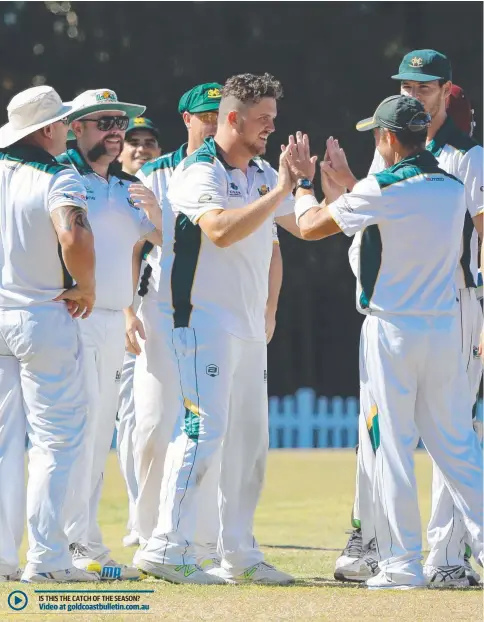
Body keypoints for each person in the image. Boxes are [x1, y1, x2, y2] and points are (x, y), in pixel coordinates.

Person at [286, 95, 483, 589]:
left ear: (389, 139)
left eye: (377, 135)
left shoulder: (383, 186)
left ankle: (401, 565)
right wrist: (345, 188)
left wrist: (303, 186)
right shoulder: (453, 186)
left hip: (392, 329)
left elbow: (310, 227)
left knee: (390, 445)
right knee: (458, 448)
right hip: (445, 326)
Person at [134, 73, 300, 585]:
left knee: (250, 443)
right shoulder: (197, 170)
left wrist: (345, 193)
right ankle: (166, 547)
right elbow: (220, 231)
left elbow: (306, 226)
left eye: (273, 117)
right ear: (234, 119)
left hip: (249, 326)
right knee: (203, 432)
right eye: (263, 119)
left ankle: (240, 552)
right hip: (204, 320)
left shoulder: (263, 172)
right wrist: (281, 192)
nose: (272, 127)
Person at [59, 88, 162, 581]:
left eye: (119, 122)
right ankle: (66, 543)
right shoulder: (59, 177)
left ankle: (82, 540)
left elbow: (164, 242)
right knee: (70, 437)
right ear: (75, 128)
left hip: (108, 322)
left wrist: (158, 216)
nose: (116, 130)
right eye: (103, 122)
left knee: (97, 436)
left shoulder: (127, 186)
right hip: (67, 318)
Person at [0, 85, 99, 583]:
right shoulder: (58, 174)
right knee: (56, 442)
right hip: (42, 313)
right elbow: (73, 234)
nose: (65, 129)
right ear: (46, 130)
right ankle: (48, 559)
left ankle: (1, 557)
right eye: (61, 122)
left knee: (2, 442)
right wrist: (86, 284)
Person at [115, 117, 162, 548]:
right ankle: (136, 516)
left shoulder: (157, 193)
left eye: (149, 142)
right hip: (115, 315)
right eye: (134, 142)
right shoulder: (109, 189)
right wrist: (127, 312)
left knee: (142, 421)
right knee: (128, 422)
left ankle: (143, 517)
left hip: (148, 318)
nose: (142, 149)